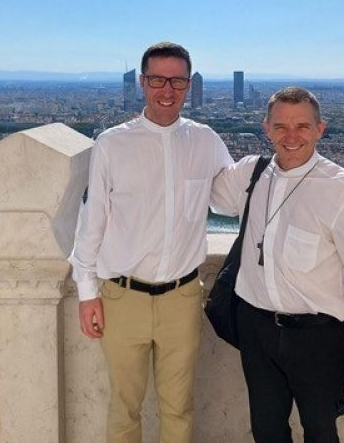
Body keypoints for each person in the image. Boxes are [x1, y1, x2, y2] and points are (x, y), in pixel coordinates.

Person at [210, 86, 344, 443]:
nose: (290, 136)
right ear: (266, 128)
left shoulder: (342, 189)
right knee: (266, 431)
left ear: (320, 129)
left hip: (317, 338)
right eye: (280, 126)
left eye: (302, 126)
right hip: (255, 328)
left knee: (321, 432)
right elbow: (201, 191)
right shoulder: (250, 174)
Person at [69, 42, 232, 443]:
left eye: (177, 81)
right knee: (124, 407)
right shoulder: (111, 143)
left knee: (179, 407)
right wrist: (87, 293)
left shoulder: (206, 141)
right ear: (142, 82)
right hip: (122, 298)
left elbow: (229, 199)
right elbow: (93, 221)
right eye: (158, 80)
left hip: (182, 298)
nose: (167, 90)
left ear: (189, 85)